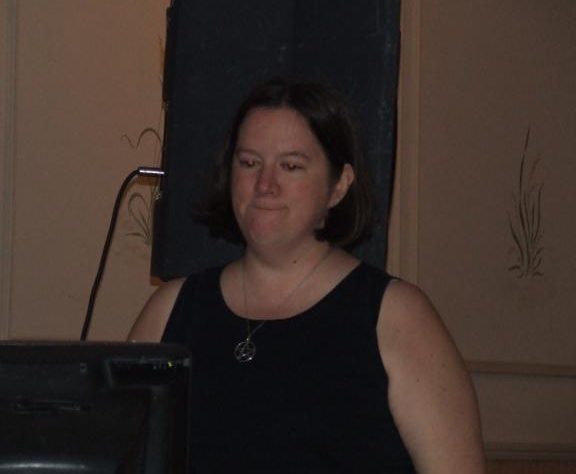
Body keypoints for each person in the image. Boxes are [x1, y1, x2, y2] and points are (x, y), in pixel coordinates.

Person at [129, 77, 485, 473]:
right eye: (249, 163)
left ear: (338, 186)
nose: (265, 185)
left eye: (291, 166)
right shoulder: (171, 309)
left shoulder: (396, 315)